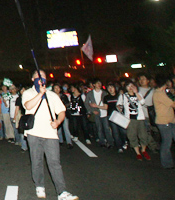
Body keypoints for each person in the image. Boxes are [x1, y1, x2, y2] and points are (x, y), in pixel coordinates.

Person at [23, 70, 78, 200]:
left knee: (54, 163)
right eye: (38, 76)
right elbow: (28, 105)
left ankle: (62, 192)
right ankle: (39, 185)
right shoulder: (27, 93)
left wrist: (58, 121)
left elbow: (62, 111)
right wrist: (40, 94)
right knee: (36, 161)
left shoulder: (52, 95)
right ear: (33, 79)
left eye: (43, 76)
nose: (41, 78)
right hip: (34, 132)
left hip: (51, 134)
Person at [153, 75, 175, 170]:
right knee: (167, 143)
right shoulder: (158, 93)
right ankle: (167, 163)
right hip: (163, 122)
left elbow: (167, 105)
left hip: (172, 120)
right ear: (165, 83)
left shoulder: (163, 93)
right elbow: (174, 103)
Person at [117, 80, 150, 161]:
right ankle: (138, 153)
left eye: (132, 86)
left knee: (143, 135)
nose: (130, 87)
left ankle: (143, 150)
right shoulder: (123, 96)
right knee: (132, 136)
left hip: (140, 118)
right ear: (125, 88)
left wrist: (136, 93)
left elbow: (142, 102)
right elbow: (118, 104)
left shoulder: (138, 94)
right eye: (128, 86)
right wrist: (119, 108)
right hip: (130, 119)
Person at [85, 79, 113, 148]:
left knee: (106, 128)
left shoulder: (104, 93)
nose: (99, 85)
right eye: (97, 83)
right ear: (94, 85)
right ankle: (102, 142)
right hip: (97, 113)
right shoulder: (90, 93)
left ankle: (110, 142)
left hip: (105, 112)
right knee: (99, 128)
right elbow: (86, 103)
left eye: (100, 83)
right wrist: (92, 110)